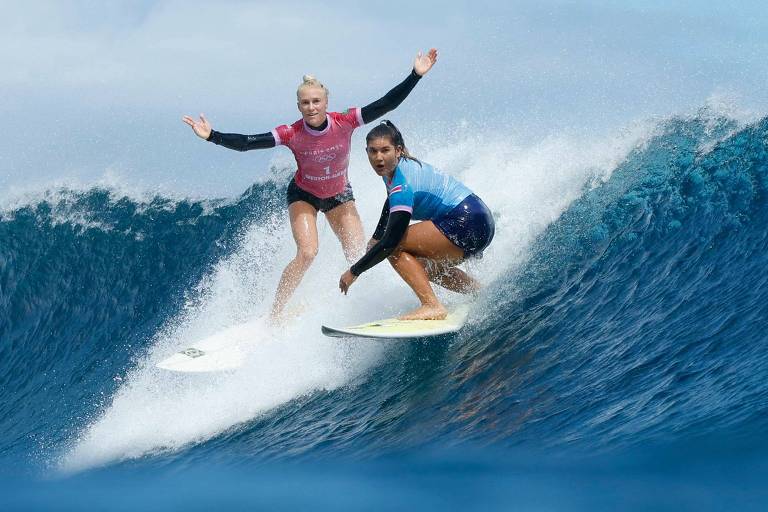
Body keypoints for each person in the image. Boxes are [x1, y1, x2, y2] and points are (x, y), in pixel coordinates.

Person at [182, 49, 438, 320]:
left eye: (316, 101)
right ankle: (275, 314)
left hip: (339, 194)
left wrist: (415, 76)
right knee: (307, 252)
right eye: (305, 103)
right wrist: (212, 136)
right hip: (304, 194)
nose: (312, 107)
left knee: (359, 254)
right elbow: (247, 143)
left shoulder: (346, 121)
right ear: (299, 106)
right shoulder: (291, 133)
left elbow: (386, 104)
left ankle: (363, 306)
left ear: (327, 103)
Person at [338, 121, 495, 320]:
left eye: (385, 150)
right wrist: (376, 237)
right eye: (373, 151)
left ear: (398, 150)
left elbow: (391, 242)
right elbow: (390, 204)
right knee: (420, 267)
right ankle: (477, 291)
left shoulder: (402, 184)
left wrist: (354, 271)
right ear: (366, 151)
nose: (379, 158)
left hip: (465, 222)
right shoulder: (397, 169)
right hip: (481, 220)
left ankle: (431, 305)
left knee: (394, 248)